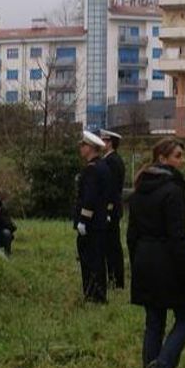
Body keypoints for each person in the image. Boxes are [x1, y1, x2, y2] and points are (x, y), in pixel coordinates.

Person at [128, 137, 185, 368]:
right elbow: (178, 237)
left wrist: (135, 262)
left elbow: (131, 235)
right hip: (168, 262)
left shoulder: (139, 190)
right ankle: (163, 364)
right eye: (178, 156)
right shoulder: (173, 191)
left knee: (154, 320)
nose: (183, 161)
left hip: (144, 261)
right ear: (163, 159)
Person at [73, 130, 110, 303]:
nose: (81, 148)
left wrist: (83, 220)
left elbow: (90, 197)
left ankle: (93, 293)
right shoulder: (103, 166)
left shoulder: (92, 170)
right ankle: (98, 292)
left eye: (83, 145)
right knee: (98, 257)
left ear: (91, 148)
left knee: (90, 258)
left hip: (91, 223)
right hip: (100, 221)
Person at [98, 129, 127, 289]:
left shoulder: (112, 162)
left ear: (110, 143)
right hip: (112, 209)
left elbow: (112, 189)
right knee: (111, 245)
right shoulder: (112, 160)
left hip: (111, 210)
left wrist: (107, 210)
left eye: (104, 140)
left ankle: (116, 279)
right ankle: (114, 278)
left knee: (112, 246)